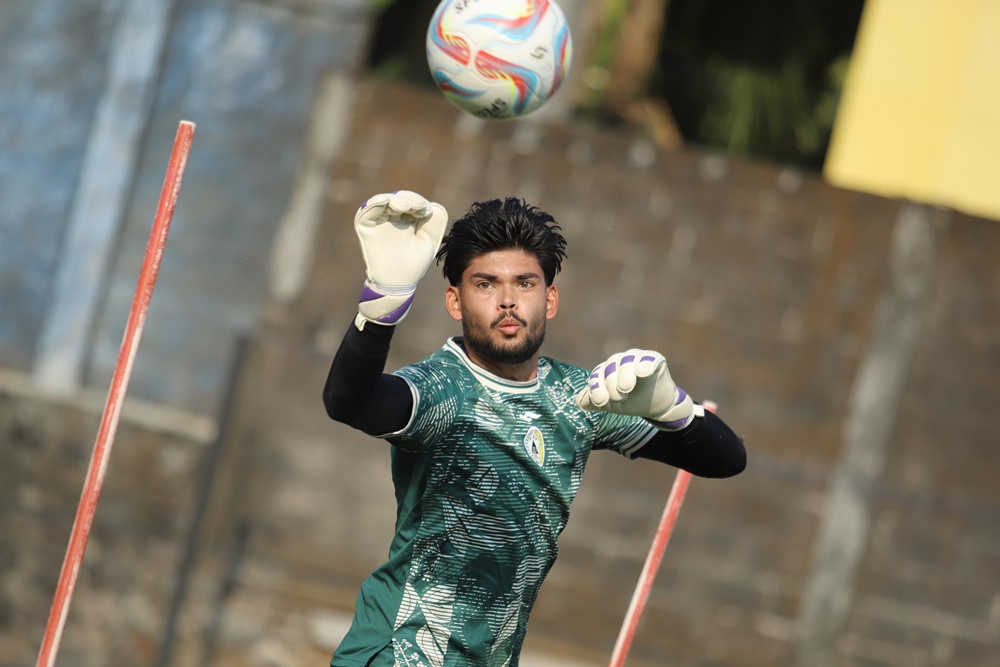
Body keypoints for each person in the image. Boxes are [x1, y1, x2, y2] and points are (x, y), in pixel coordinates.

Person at [323, 191, 746, 667]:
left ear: (550, 299)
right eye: (485, 285)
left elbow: (727, 460)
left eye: (524, 283)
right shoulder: (444, 388)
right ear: (454, 302)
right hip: (394, 654)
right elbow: (349, 402)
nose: (507, 300)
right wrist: (382, 303)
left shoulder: (581, 398)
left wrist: (673, 407)